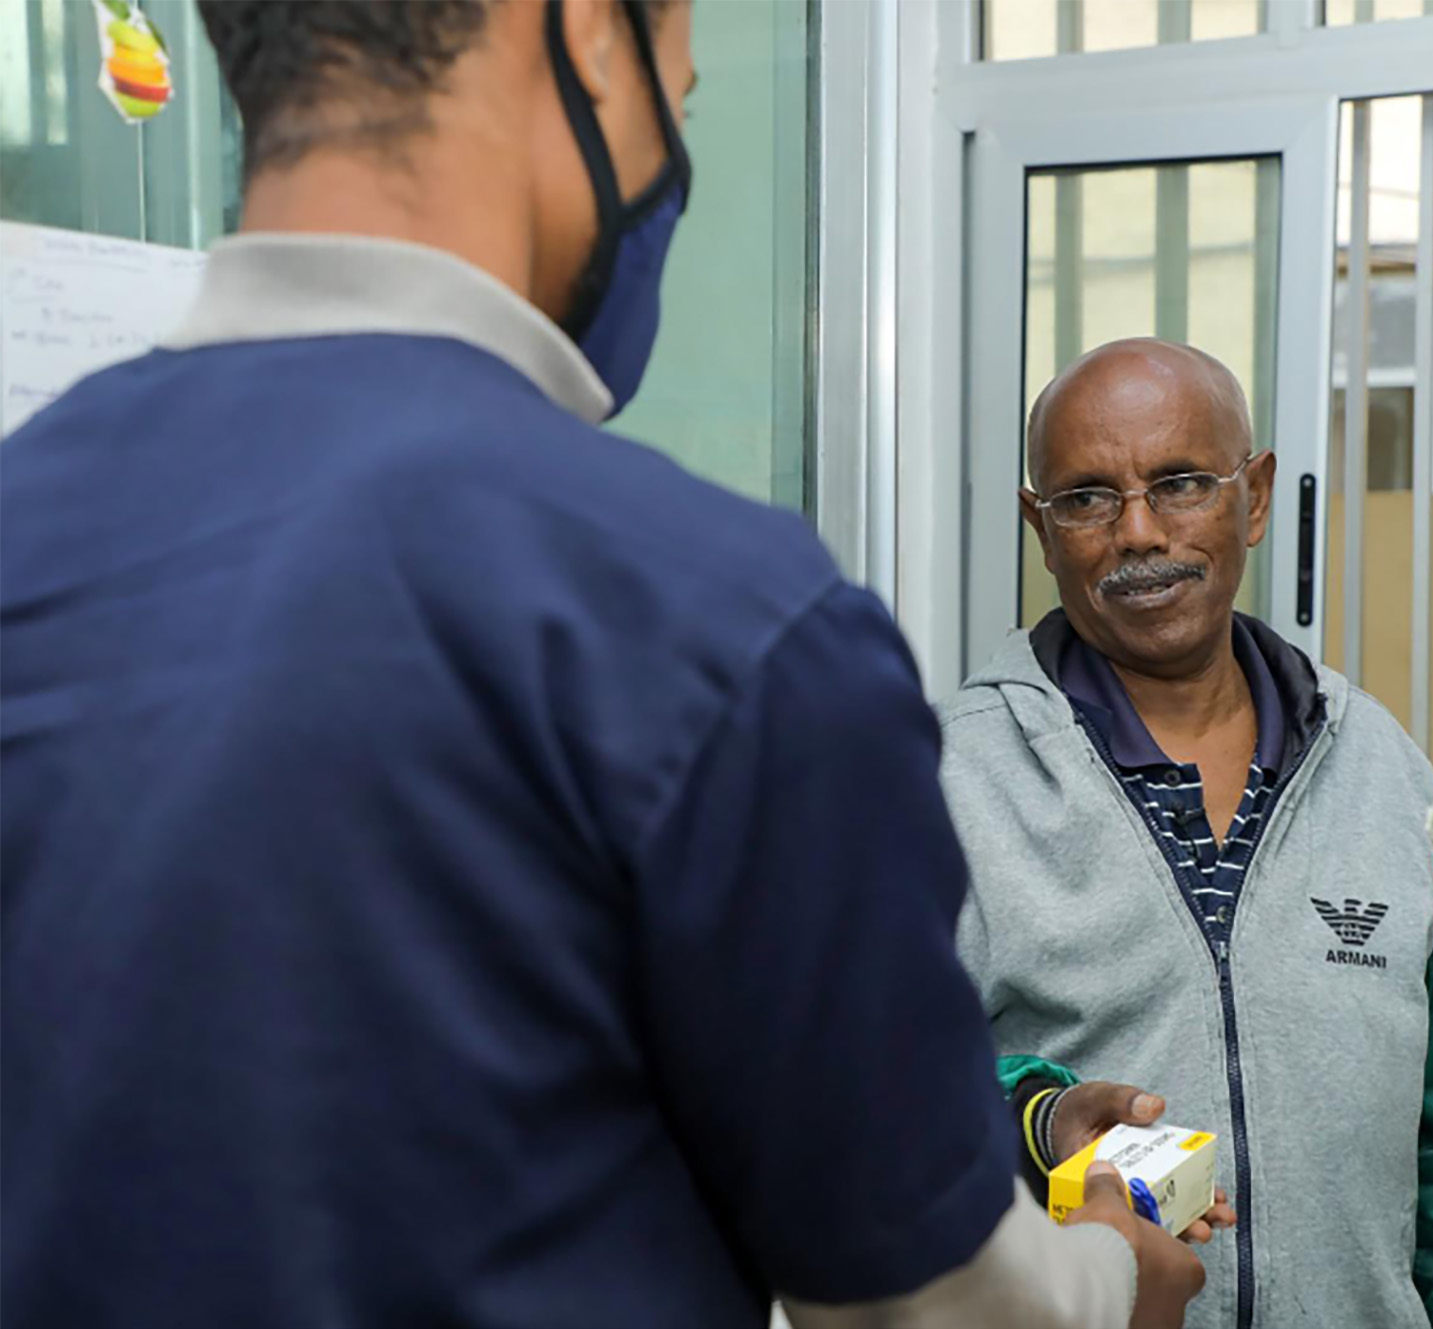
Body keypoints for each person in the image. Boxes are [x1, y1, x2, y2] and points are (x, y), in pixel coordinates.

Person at [0, 4, 1204, 1326]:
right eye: (677, 110)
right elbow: (935, 1308)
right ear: (585, 34)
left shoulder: (30, 526)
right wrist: (1115, 1277)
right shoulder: (723, 623)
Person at [939, 339, 1433, 1329]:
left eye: (1181, 483)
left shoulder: (1384, 772)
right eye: (1087, 499)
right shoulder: (947, 785)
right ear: (1041, 530)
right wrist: (1036, 1120)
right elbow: (857, 1092)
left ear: (1255, 497)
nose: (1138, 532)